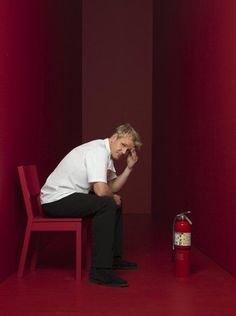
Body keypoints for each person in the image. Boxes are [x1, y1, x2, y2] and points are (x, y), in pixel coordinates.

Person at [40, 123, 142, 287]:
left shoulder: (106, 155)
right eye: (123, 145)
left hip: (69, 196)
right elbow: (102, 191)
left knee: (115, 202)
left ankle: (114, 259)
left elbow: (112, 187)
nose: (124, 152)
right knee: (107, 204)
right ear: (115, 137)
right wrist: (111, 197)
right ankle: (100, 272)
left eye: (127, 150)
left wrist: (129, 169)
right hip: (55, 200)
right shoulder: (98, 152)